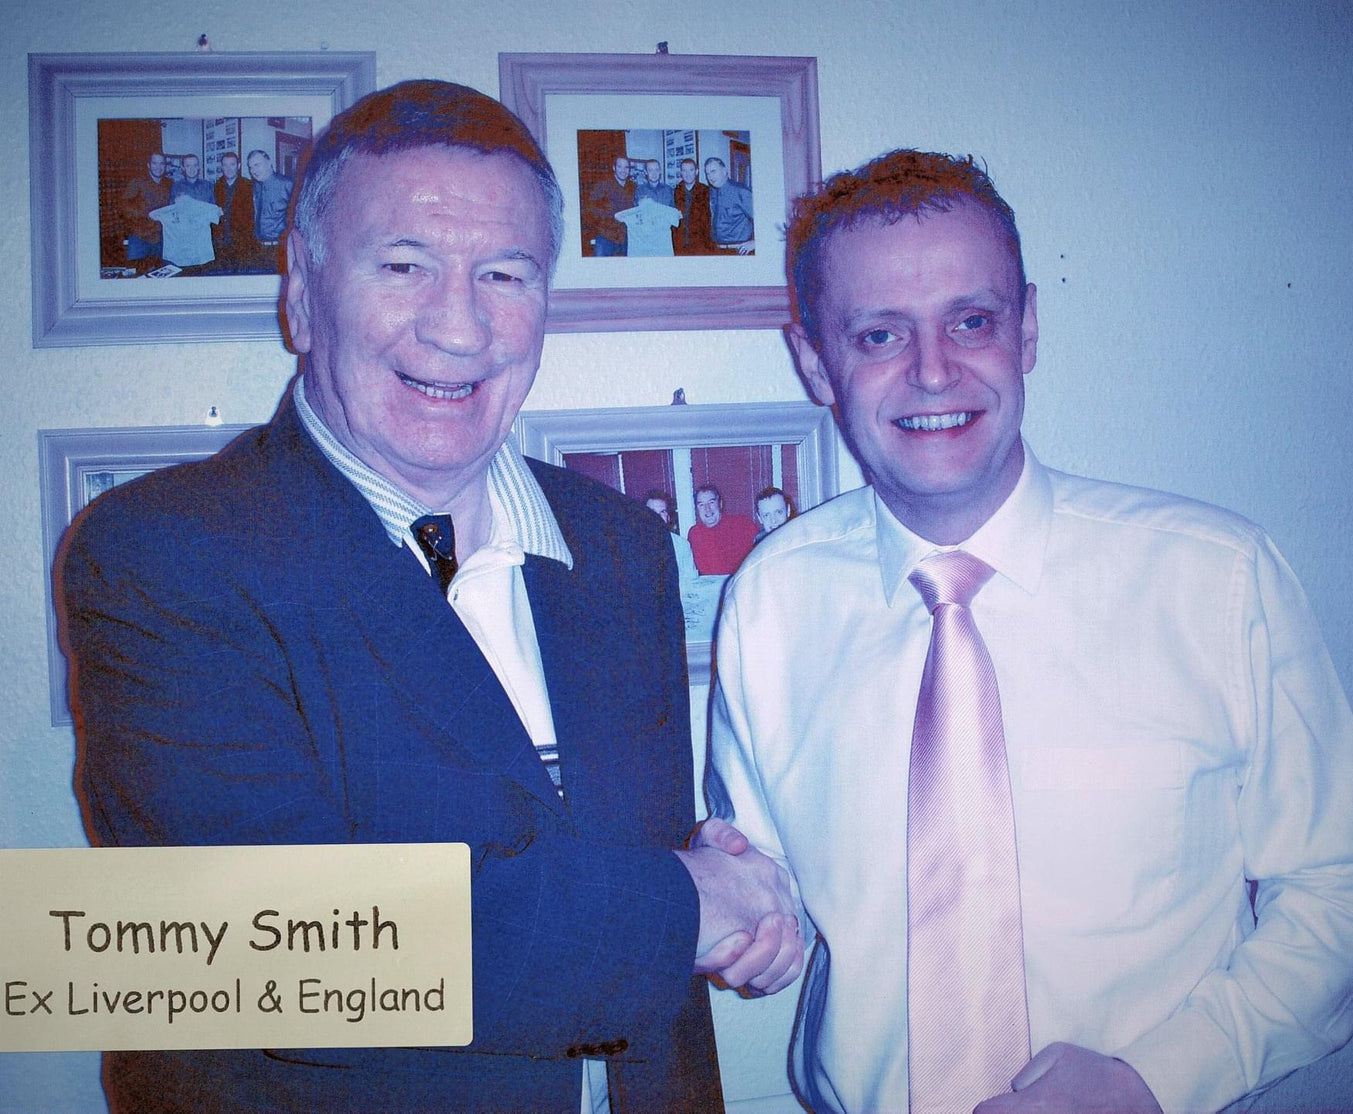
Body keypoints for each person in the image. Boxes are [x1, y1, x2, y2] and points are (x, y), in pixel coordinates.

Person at [60, 79, 802, 1114]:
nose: (458, 328)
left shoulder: (621, 548)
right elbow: (261, 947)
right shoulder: (159, 553)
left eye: (504, 273)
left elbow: (603, 860)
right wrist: (693, 902)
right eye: (403, 266)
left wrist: (731, 884)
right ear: (302, 292)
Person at [706, 150, 1353, 1114]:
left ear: (1027, 327)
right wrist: (745, 919)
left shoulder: (1214, 579)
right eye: (877, 335)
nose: (932, 371)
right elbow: (767, 888)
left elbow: (1345, 895)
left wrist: (1154, 1081)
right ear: (814, 363)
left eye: (971, 320)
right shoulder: (770, 602)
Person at [687, 484, 756, 575]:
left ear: (720, 504)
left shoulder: (742, 524)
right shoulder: (694, 534)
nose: (707, 509)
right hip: (710, 586)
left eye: (711, 502)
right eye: (701, 505)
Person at [117, 152, 170, 263]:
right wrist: (146, 215)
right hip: (139, 238)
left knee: (160, 273)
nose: (158, 167)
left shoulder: (169, 184)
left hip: (161, 239)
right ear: (148, 165)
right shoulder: (137, 182)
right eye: (154, 163)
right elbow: (123, 207)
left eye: (162, 163)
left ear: (165, 166)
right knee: (136, 274)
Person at [247, 148, 292, 271]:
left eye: (257, 165)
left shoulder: (286, 184)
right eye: (250, 167)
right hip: (259, 250)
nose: (253, 171)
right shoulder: (255, 186)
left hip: (280, 250)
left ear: (269, 162)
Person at [211, 151, 256, 272]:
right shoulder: (216, 186)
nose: (229, 168)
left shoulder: (248, 186)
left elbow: (252, 216)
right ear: (221, 167)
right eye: (225, 165)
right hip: (221, 244)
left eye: (232, 164)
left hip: (242, 244)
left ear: (239, 166)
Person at [584, 155, 634, 256]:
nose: (623, 170)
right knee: (601, 270)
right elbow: (590, 208)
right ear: (614, 168)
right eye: (619, 166)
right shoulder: (603, 185)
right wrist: (612, 216)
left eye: (626, 167)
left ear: (629, 169)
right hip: (605, 238)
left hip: (625, 239)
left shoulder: (633, 187)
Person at [646, 489, 699, 582]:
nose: (657, 517)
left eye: (662, 512)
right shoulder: (633, 545)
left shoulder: (682, 545)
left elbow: (691, 580)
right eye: (652, 512)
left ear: (668, 517)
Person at [704, 157, 754, 252]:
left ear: (724, 171)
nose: (710, 177)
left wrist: (756, 242)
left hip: (738, 250)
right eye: (707, 173)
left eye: (713, 171)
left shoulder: (741, 191)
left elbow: (763, 220)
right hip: (718, 249)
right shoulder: (712, 192)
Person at [672, 157, 712, 255]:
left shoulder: (706, 191)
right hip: (679, 244)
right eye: (684, 170)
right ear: (681, 172)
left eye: (691, 170)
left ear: (696, 171)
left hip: (700, 244)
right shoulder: (675, 191)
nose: (687, 174)